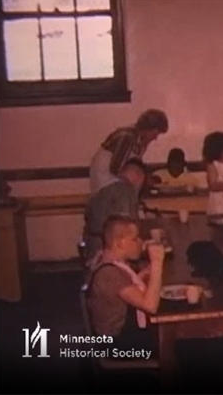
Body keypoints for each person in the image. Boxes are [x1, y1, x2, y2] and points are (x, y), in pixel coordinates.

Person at [87, 214, 165, 357]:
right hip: (117, 345)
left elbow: (123, 287)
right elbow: (150, 306)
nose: (140, 242)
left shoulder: (107, 260)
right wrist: (157, 263)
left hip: (119, 337)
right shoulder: (110, 274)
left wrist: (141, 275)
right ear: (120, 243)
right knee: (179, 345)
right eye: (135, 239)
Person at [83, 158, 148, 262]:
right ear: (138, 177)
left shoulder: (102, 190)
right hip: (111, 255)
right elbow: (127, 230)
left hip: (92, 250)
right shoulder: (127, 191)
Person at [90, 109, 168, 194]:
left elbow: (135, 166)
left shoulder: (141, 141)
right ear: (149, 129)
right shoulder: (127, 136)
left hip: (117, 180)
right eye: (155, 133)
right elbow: (116, 167)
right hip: (106, 176)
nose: (155, 138)